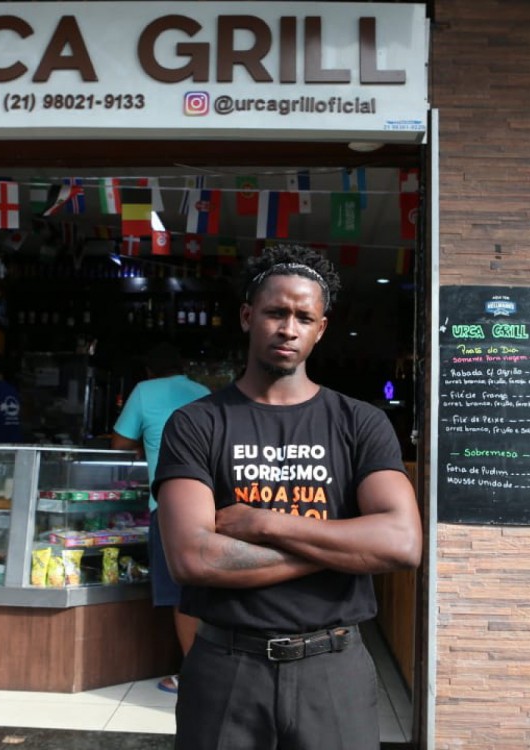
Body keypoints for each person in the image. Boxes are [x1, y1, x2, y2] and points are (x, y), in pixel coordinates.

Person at [154, 244, 422, 749]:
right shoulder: (197, 424)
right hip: (226, 666)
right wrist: (346, 551)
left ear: (321, 328)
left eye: (304, 317)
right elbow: (193, 557)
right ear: (247, 316)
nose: (288, 328)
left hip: (334, 669)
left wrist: (265, 524)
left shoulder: (360, 423)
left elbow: (402, 543)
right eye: (276, 313)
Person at [111, 342, 210, 694]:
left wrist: (143, 444)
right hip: (210, 507)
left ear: (149, 371)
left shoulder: (144, 390)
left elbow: (119, 445)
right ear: (182, 366)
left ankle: (194, 676)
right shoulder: (204, 392)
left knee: (180, 595)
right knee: (204, 592)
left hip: (168, 507)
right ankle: (209, 671)